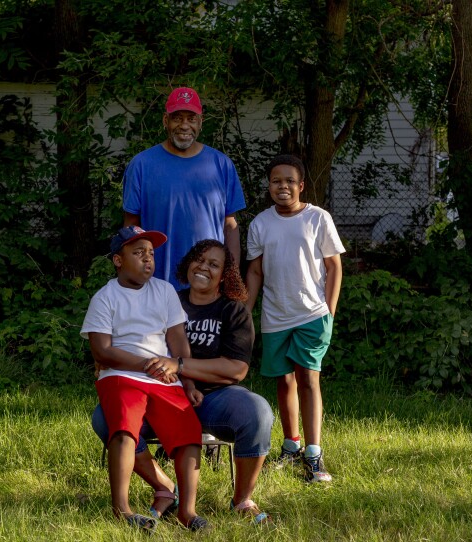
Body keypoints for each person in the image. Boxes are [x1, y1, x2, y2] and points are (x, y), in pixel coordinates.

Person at [92, 239, 274, 524]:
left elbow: (236, 369)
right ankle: (164, 487)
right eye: (199, 260)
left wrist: (182, 368)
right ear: (188, 263)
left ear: (225, 274)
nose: (204, 267)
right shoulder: (165, 296)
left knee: (258, 412)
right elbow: (127, 334)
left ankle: (241, 500)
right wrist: (108, 356)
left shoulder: (233, 311)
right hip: (159, 386)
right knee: (105, 419)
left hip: (214, 397)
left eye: (214, 264)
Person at [81, 225, 209, 533]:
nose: (148, 260)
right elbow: (102, 350)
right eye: (138, 253)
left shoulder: (164, 291)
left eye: (151, 254)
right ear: (118, 260)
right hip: (121, 375)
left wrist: (188, 381)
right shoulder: (105, 297)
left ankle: (187, 512)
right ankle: (122, 509)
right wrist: (144, 363)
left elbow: (178, 342)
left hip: (163, 376)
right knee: (125, 429)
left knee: (189, 433)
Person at [245, 154, 345, 483]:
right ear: (269, 186)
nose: (283, 186)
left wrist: (329, 310)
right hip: (275, 315)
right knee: (283, 380)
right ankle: (291, 448)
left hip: (312, 314)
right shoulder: (260, 223)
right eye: (276, 181)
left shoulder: (318, 218)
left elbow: (333, 266)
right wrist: (247, 309)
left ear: (301, 186)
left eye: (289, 181)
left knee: (308, 379)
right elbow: (256, 270)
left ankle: (314, 455)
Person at [122, 86, 246, 290]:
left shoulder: (221, 165)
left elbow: (230, 226)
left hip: (208, 285)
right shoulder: (142, 165)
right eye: (177, 118)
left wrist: (231, 277)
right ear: (165, 121)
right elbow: (131, 228)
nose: (184, 125)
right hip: (157, 285)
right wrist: (134, 280)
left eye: (191, 118)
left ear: (201, 121)